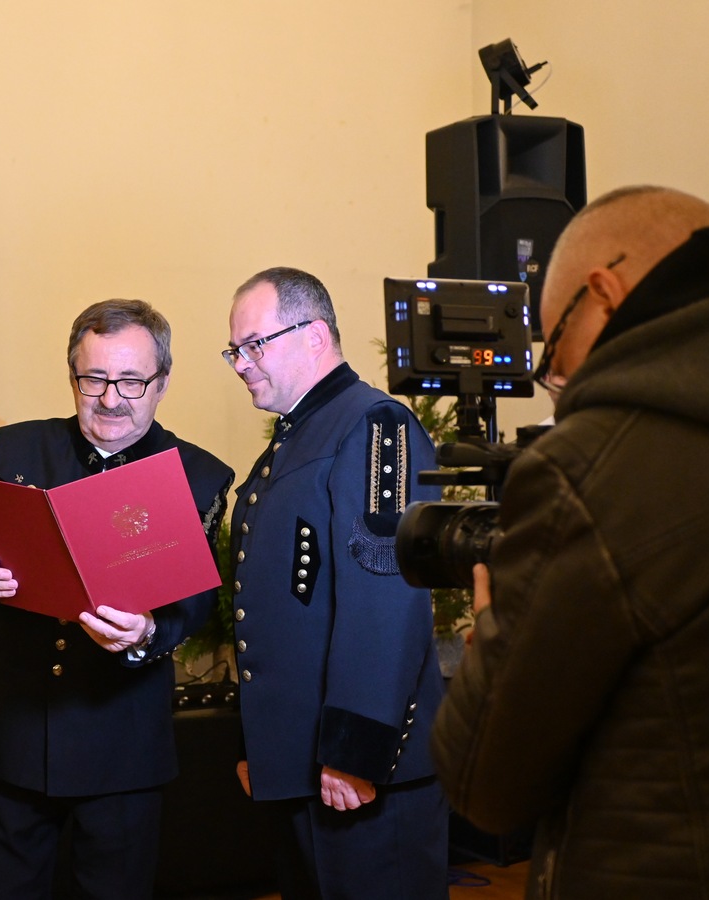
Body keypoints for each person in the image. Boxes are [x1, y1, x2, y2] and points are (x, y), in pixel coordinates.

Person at [432, 185, 709, 898]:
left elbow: (485, 783)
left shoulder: (591, 469)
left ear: (604, 294)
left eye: (554, 352)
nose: (556, 385)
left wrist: (495, 636)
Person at [0, 298, 234, 899]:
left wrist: (148, 631)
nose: (110, 398)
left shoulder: (198, 476)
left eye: (131, 381)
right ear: (72, 377)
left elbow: (196, 599)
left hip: (121, 741)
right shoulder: (20, 447)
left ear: (162, 382)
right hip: (13, 729)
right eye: (94, 378)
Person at [224, 267, 449, 899]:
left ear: (316, 335)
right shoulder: (296, 437)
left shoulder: (376, 425)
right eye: (234, 350)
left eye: (254, 345)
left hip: (358, 771)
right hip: (302, 763)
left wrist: (356, 751)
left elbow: (387, 600)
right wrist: (262, 747)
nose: (240, 364)